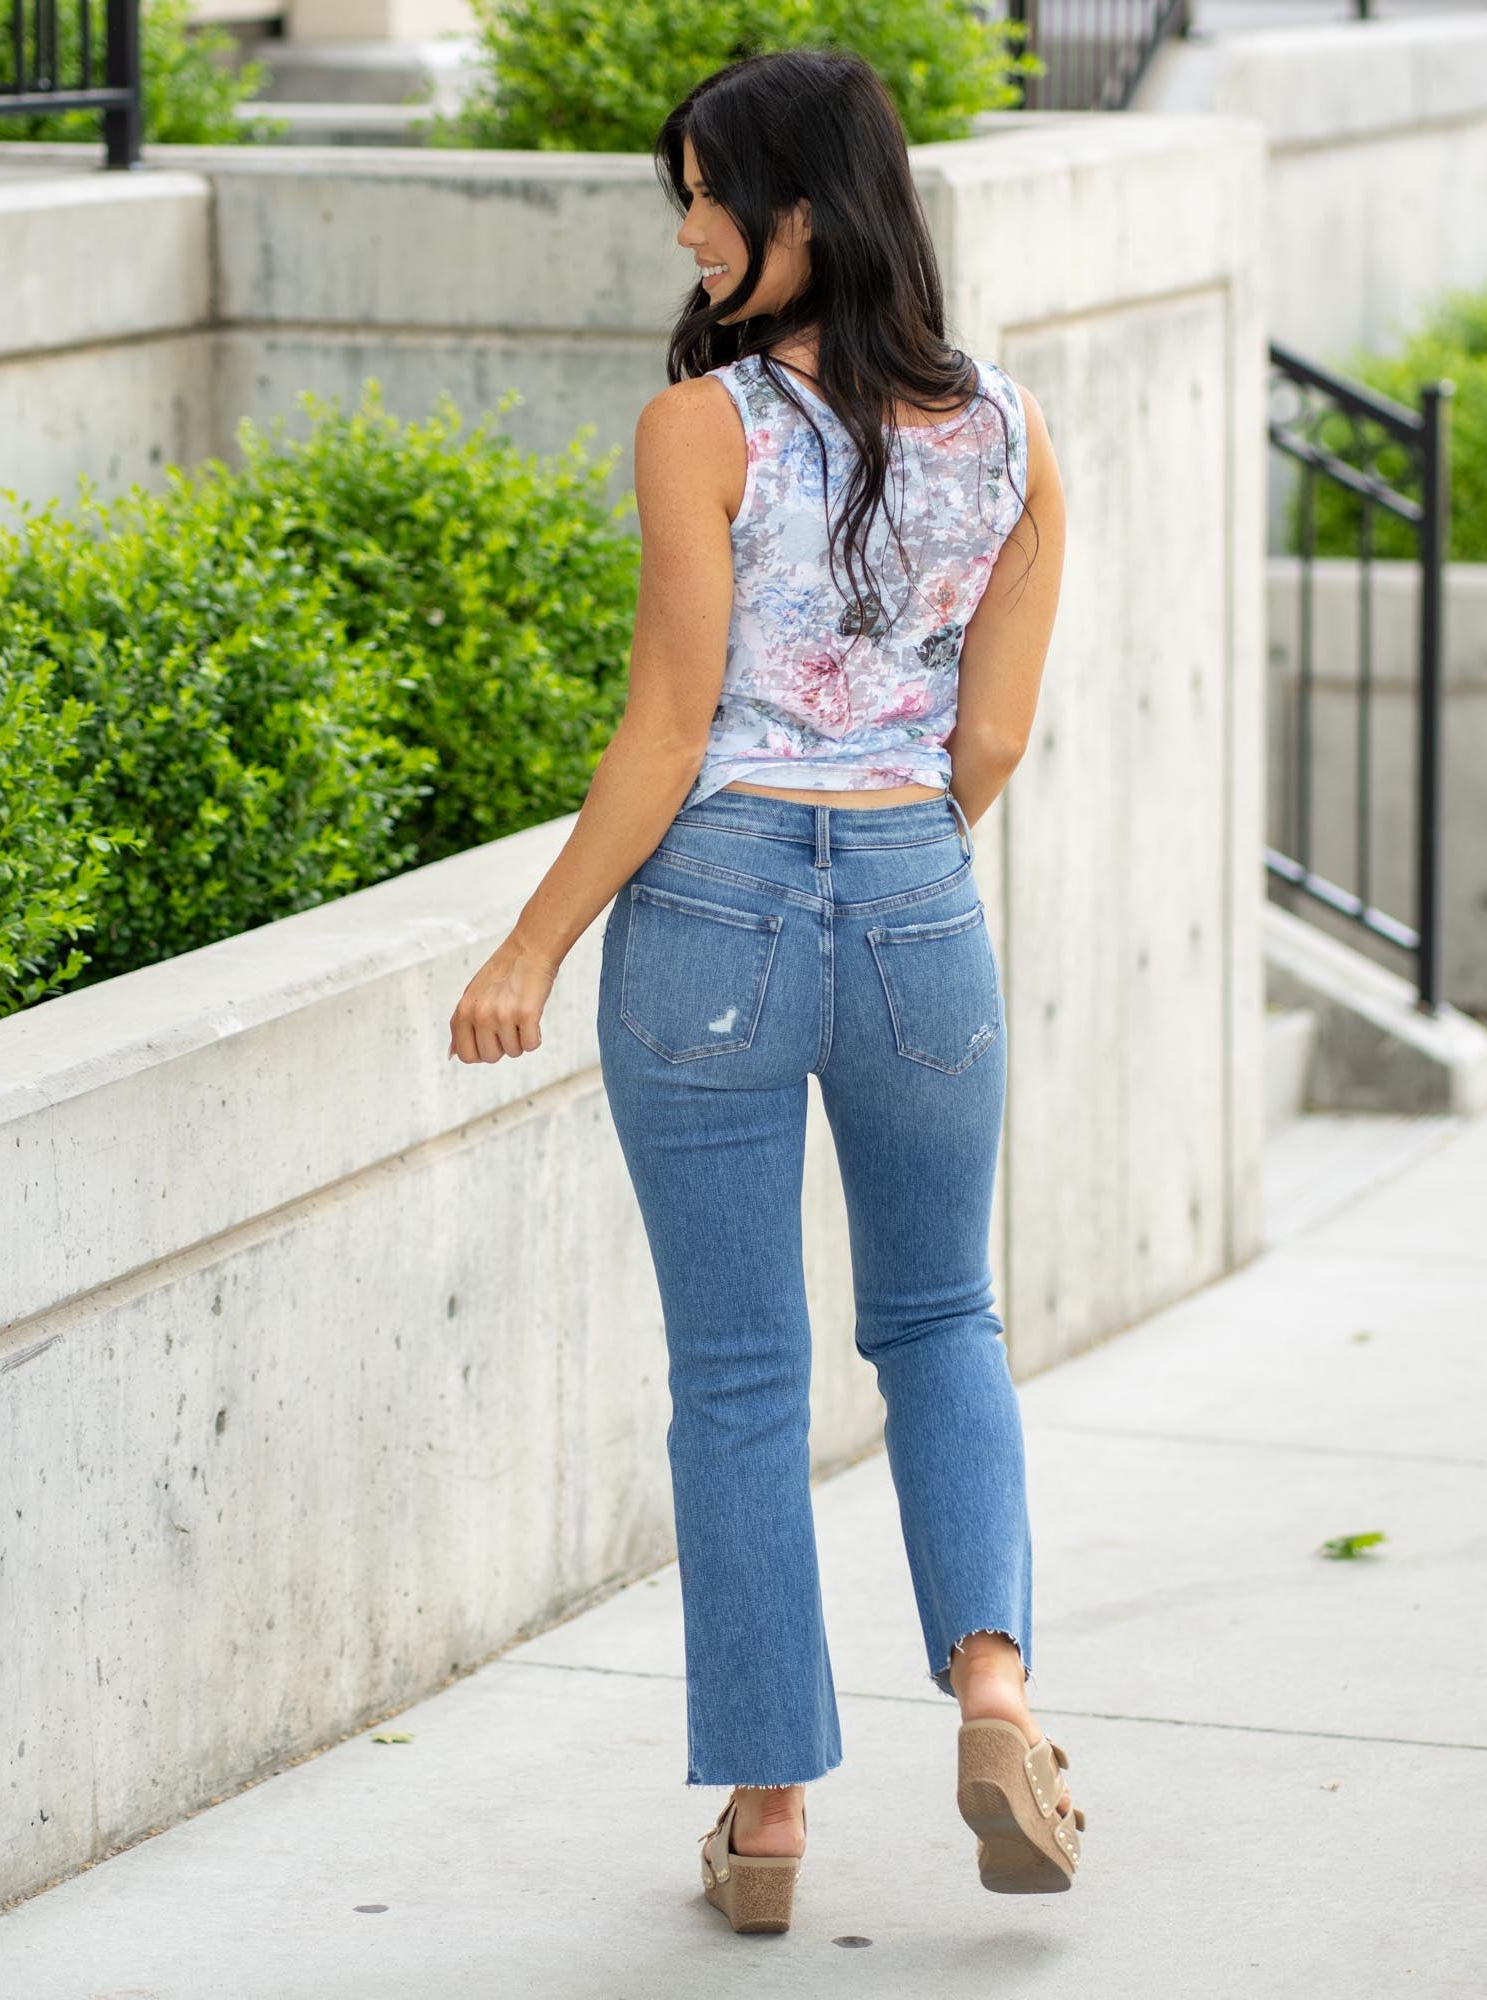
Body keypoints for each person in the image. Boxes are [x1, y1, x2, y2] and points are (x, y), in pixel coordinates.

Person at [446, 43, 1075, 1932]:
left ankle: (772, 1813)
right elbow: (991, 742)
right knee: (942, 1319)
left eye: (710, 195)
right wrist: (887, 865)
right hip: (916, 899)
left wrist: (530, 947)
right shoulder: (1016, 436)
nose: (690, 231)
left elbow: (666, 730)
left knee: (737, 1376)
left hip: (713, 909)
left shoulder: (702, 427)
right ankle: (995, 1698)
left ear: (804, 208)